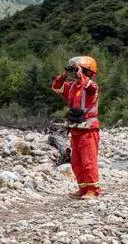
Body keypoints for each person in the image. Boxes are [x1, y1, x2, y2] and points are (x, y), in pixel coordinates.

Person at [52, 55, 100, 199]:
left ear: (87, 72)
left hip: (89, 130)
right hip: (75, 129)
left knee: (89, 161)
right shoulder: (71, 86)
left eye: (81, 70)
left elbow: (89, 87)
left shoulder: (92, 86)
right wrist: (65, 74)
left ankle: (93, 190)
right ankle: (83, 188)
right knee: (76, 162)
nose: (77, 74)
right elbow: (56, 87)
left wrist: (81, 74)